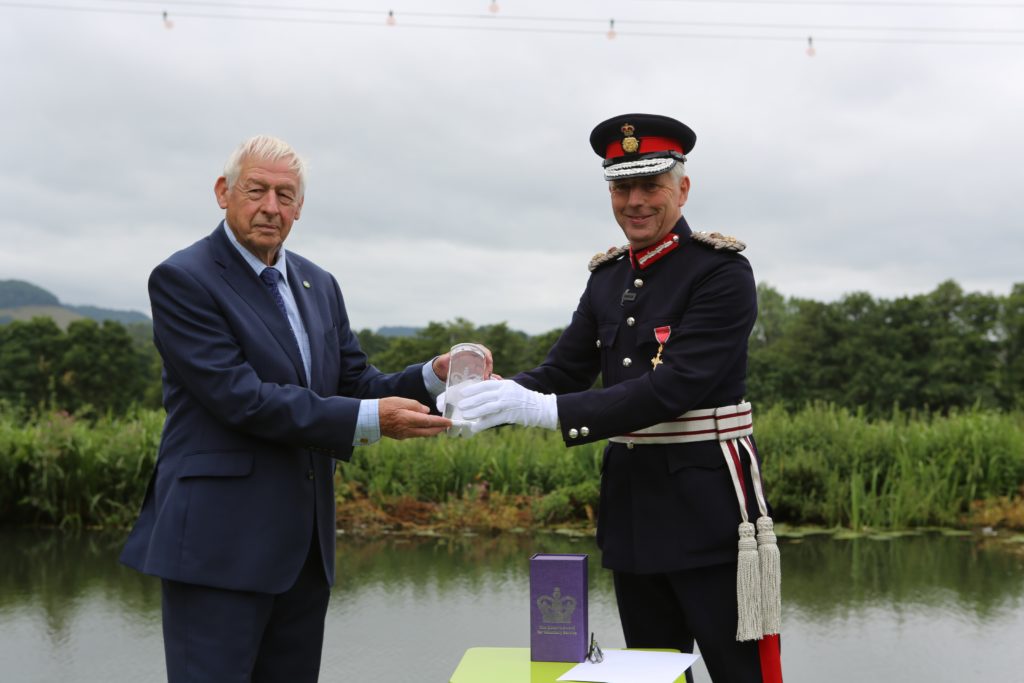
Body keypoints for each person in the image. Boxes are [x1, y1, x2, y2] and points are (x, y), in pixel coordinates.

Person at [119, 135, 478, 682]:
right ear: (224, 192)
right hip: (218, 549)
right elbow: (242, 398)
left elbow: (355, 380)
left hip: (303, 554)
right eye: (256, 190)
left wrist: (434, 374)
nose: (271, 207)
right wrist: (368, 423)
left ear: (300, 207)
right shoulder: (184, 279)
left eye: (285, 195)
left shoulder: (318, 283)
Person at [454, 114, 783, 682]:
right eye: (621, 187)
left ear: (682, 188)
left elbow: (675, 386)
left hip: (710, 513)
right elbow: (564, 369)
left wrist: (545, 410)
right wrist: (491, 398)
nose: (635, 201)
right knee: (654, 675)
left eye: (650, 186)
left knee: (739, 675)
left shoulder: (721, 273)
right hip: (634, 510)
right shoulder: (607, 277)